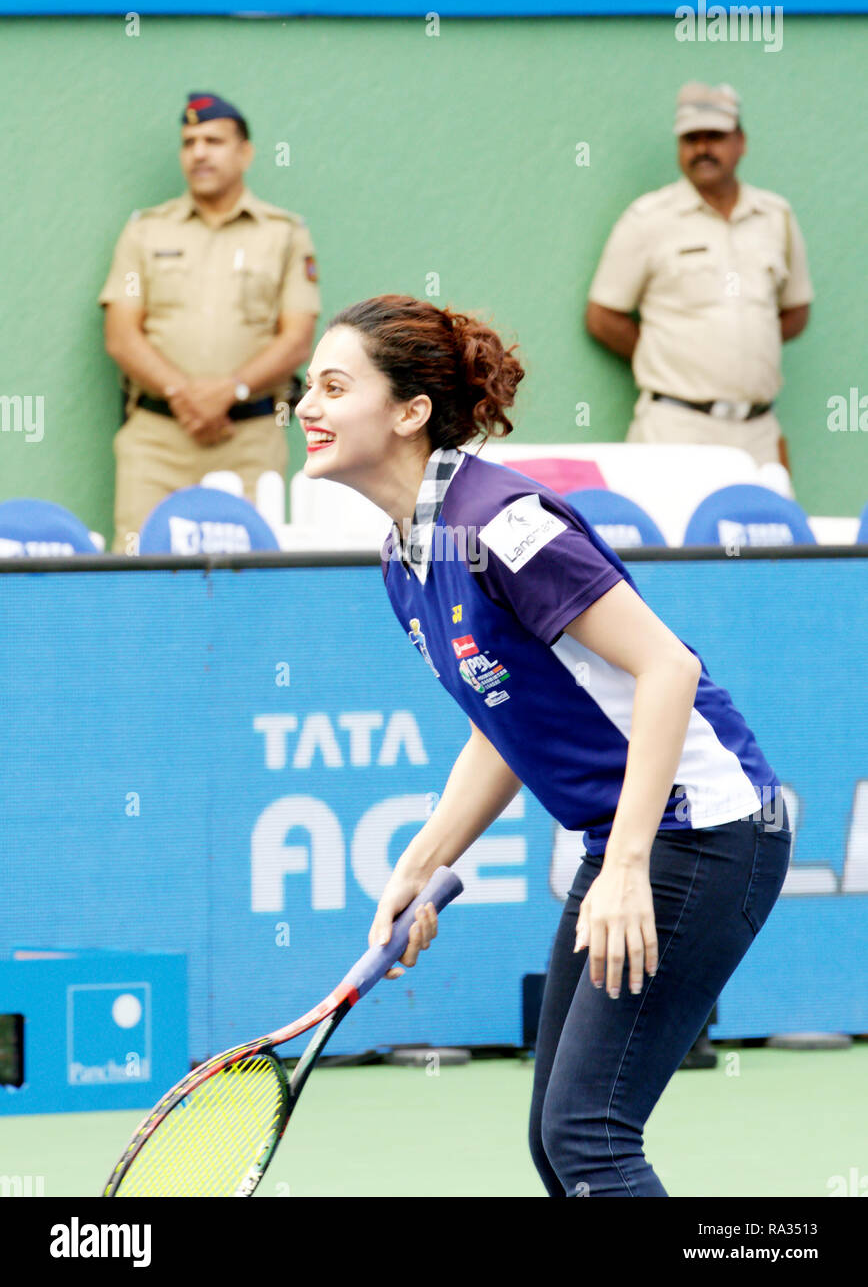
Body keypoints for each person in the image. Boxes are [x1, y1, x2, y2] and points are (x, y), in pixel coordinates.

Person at [294, 294, 792, 1197]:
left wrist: (629, 865)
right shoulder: (405, 556)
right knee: (558, 1142)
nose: (306, 408)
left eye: (334, 386)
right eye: (306, 388)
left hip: (705, 832)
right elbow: (504, 723)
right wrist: (423, 858)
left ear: (409, 412)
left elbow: (667, 671)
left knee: (589, 1139)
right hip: (634, 840)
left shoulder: (503, 525)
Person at [99, 91, 321, 552]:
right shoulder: (146, 230)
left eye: (213, 141)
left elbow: (297, 340)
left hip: (248, 439)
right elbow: (121, 335)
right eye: (189, 141)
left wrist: (229, 391)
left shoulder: (283, 234)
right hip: (157, 440)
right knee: (136, 566)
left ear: (245, 153)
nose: (198, 152)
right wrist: (184, 395)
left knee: (251, 574)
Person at [585, 82, 813, 474]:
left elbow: (796, 310)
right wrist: (667, 353)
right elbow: (603, 317)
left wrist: (745, 343)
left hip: (758, 432)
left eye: (716, 137)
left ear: (740, 142)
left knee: (771, 534)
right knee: (673, 536)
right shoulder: (649, 218)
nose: (703, 148)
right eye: (691, 139)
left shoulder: (776, 216)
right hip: (674, 427)